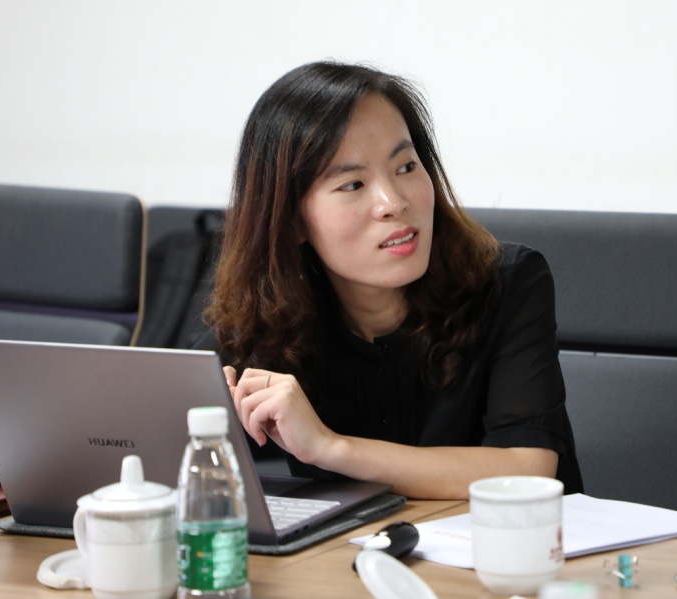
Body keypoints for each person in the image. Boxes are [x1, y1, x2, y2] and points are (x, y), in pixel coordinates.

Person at [195, 61, 583, 499]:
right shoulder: (264, 319)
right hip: (354, 545)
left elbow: (527, 470)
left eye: (405, 167)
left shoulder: (509, 282)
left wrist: (328, 447)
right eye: (353, 185)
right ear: (291, 221)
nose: (392, 202)